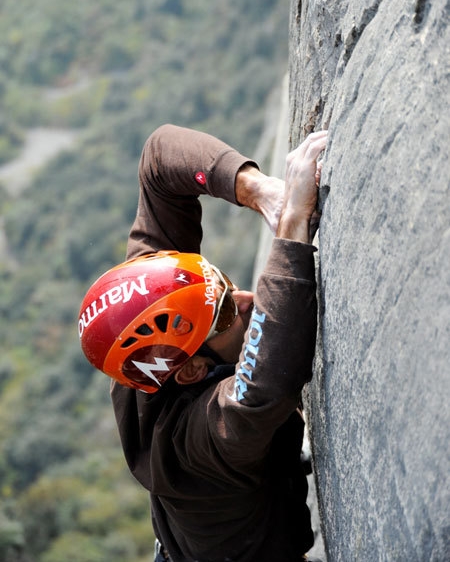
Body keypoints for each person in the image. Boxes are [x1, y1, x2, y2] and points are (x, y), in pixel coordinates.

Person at [78, 124, 327, 562]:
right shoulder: (197, 446)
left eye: (225, 288)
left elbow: (159, 159)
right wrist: (292, 226)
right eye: (225, 315)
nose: (246, 300)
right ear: (192, 369)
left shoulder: (148, 321)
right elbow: (259, 389)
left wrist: (257, 190)